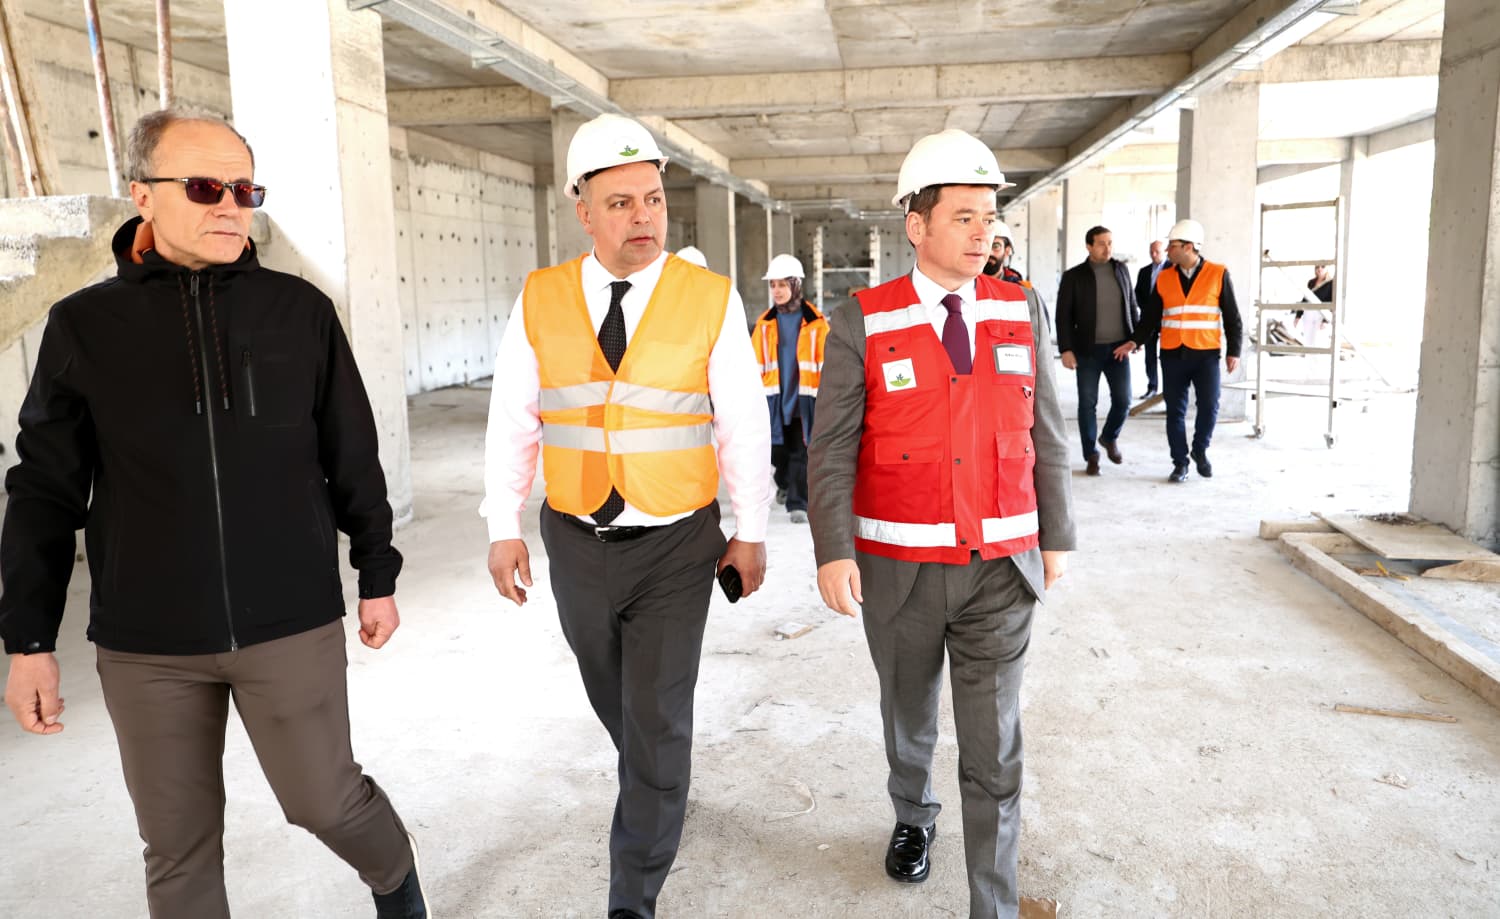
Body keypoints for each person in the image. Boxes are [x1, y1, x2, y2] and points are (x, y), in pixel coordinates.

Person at [0, 109, 428, 919]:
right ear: (143, 195)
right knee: (178, 848)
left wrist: (377, 569)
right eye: (205, 187)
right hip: (146, 644)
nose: (231, 206)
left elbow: (351, 451)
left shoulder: (298, 312)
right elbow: (44, 490)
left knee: (326, 801)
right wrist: (28, 639)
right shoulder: (84, 326)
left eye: (244, 190)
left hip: (289, 620)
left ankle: (395, 876)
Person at [480, 113, 771, 919]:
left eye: (653, 199)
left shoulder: (709, 298)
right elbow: (513, 417)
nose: (644, 217)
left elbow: (743, 422)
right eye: (621, 203)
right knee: (619, 700)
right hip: (576, 538)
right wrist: (502, 521)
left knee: (656, 714)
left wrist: (751, 530)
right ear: (584, 211)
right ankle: (659, 778)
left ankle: (631, 896)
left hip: (678, 540)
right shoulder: (541, 297)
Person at [808, 128, 1075, 919]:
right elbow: (831, 447)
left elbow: (1047, 430)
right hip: (899, 569)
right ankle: (913, 811)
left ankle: (991, 902)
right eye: (963, 217)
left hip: (1002, 567)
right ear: (916, 226)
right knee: (910, 717)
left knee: (994, 744)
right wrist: (832, 549)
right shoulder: (864, 318)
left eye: (989, 216)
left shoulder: (1020, 307)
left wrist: (1057, 534)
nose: (982, 232)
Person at [1114, 218, 1243, 482]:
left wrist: (1234, 351)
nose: (1167, 251)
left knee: (1209, 406)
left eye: (1172, 246)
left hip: (1206, 353)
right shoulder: (1164, 277)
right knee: (1175, 411)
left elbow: (1233, 317)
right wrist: (1134, 341)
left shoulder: (1218, 274)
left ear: (1189, 247)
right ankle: (1180, 463)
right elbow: (1151, 317)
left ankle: (1200, 449)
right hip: (1173, 354)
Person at [1055, 225, 1139, 475]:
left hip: (1118, 350)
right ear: (1089, 246)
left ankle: (1109, 437)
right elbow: (1063, 316)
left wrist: (1135, 339)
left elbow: (1131, 304)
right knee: (1087, 404)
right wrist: (1066, 349)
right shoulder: (1074, 276)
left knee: (1123, 401)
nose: (1107, 248)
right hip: (1087, 351)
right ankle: (1091, 455)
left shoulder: (1121, 269)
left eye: (1110, 243)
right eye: (1101, 243)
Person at [752, 253, 829, 524]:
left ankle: (798, 503)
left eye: (782, 284)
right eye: (773, 285)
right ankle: (784, 483)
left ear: (796, 284)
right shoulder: (764, 324)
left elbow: (826, 363)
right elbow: (753, 365)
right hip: (773, 399)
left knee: (801, 452)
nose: (777, 291)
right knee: (777, 452)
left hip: (804, 399)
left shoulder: (816, 323)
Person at [1134, 238, 1167, 398]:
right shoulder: (1144, 271)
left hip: (1167, 319)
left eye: (1157, 252)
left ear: (1164, 252)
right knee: (1149, 355)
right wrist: (1147, 309)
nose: (1154, 255)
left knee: (1167, 355)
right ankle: (1152, 387)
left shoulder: (1173, 269)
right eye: (1151, 252)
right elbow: (1137, 293)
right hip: (1149, 319)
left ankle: (1169, 389)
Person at [983, 222, 1029, 287]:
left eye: (996, 246)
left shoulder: (1022, 288)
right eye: (984, 246)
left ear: (1007, 251)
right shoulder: (968, 284)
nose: (989, 253)